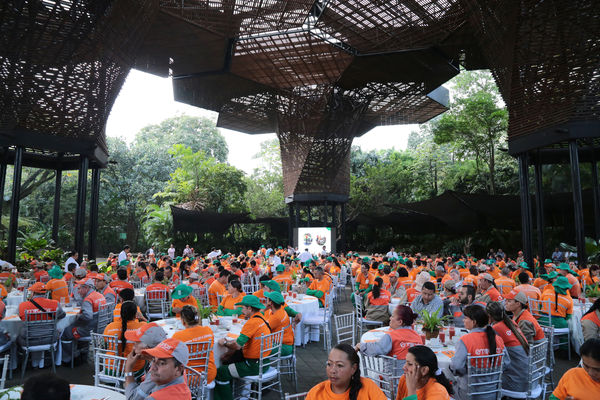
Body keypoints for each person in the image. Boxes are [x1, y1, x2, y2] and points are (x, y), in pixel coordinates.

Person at [214, 295, 272, 400]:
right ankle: (236, 393)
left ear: (250, 308)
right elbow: (242, 342)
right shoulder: (262, 317)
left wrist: (225, 343)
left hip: (253, 365)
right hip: (265, 362)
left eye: (243, 307)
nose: (242, 310)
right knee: (229, 360)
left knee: (221, 372)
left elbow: (237, 346)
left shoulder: (251, 322)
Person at [450, 305, 507, 400]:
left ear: (474, 322)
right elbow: (506, 363)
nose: (463, 320)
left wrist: (467, 371)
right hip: (493, 393)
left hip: (469, 394)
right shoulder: (498, 339)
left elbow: (456, 367)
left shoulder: (465, 340)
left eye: (465, 318)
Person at [306, 343, 387, 400]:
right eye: (329, 364)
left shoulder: (368, 388)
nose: (332, 370)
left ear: (353, 368)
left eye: (339, 365)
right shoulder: (316, 393)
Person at [357, 305, 423, 371]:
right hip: (415, 377)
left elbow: (376, 349)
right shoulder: (417, 336)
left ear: (400, 322)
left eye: (392, 316)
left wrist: (361, 346)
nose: (390, 318)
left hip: (395, 378)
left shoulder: (391, 336)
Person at [124, 338, 192, 399]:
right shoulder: (184, 389)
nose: (153, 367)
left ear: (179, 369)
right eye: (153, 360)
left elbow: (133, 398)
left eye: (162, 363)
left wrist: (128, 368)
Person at [18, 282, 66, 368]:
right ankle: (56, 361)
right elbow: (62, 315)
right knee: (60, 331)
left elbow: (22, 319)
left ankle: (17, 365)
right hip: (50, 340)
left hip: (29, 341)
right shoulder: (55, 303)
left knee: (15, 335)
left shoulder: (23, 305)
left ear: (32, 293)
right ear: (46, 293)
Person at [486, 302, 529, 394]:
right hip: (528, 379)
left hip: (515, 383)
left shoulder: (496, 328)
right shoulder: (510, 322)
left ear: (489, 316)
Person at [61, 278, 107, 364]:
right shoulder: (99, 295)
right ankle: (82, 353)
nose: (78, 291)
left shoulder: (88, 300)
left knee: (65, 332)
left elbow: (88, 316)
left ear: (86, 288)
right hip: (100, 327)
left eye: (79, 288)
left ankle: (68, 359)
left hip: (90, 329)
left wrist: (76, 316)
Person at [172, 305, 216, 385]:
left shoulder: (177, 336)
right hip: (208, 374)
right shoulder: (208, 330)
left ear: (183, 321)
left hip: (188, 377)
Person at [104, 301, 146, 378]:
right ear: (135, 314)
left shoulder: (109, 327)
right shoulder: (142, 327)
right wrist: (142, 318)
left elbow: (106, 346)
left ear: (121, 313)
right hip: (133, 370)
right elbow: (154, 332)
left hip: (110, 369)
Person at [264, 291, 295, 356]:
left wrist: (263, 310)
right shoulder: (280, 310)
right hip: (282, 343)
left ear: (271, 303)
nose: (265, 299)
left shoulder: (276, 317)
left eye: (267, 299)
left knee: (256, 348)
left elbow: (261, 329)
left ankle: (265, 366)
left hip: (283, 346)